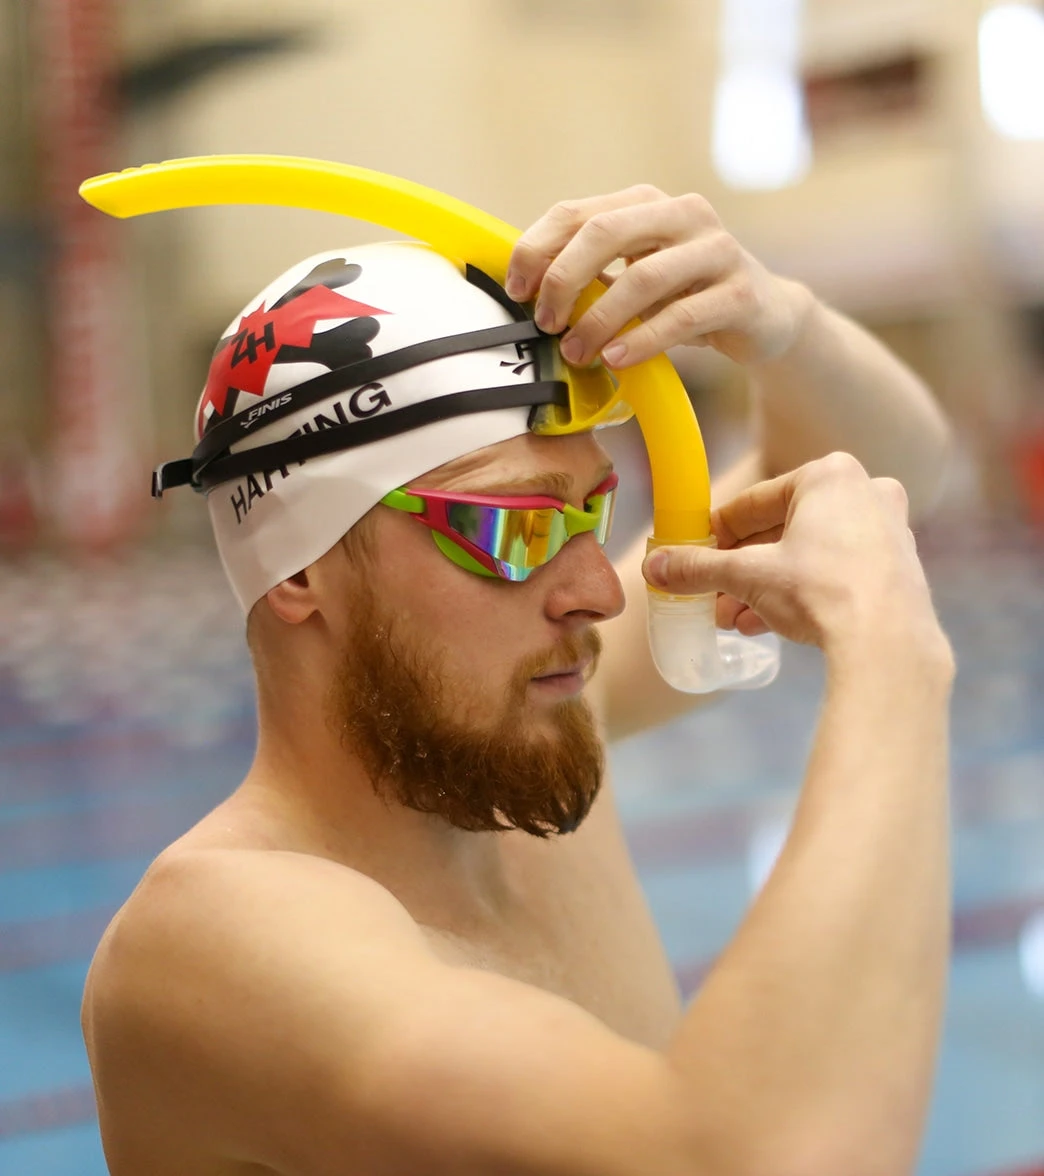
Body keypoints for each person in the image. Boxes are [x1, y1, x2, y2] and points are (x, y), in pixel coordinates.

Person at [82, 185, 955, 1176]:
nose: (600, 592)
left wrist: (786, 324)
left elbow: (887, 464)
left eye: (592, 513)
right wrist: (893, 653)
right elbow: (753, 1158)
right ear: (299, 570)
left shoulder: (514, 732)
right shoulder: (209, 939)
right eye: (511, 529)